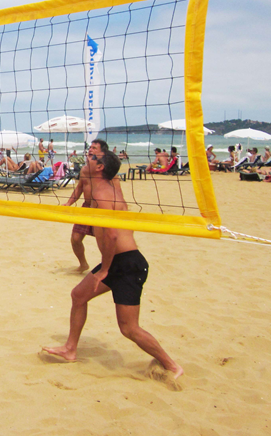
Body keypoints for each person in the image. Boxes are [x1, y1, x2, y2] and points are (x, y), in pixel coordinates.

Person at [43, 150, 183, 387]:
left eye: (93, 158)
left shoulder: (104, 193)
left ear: (99, 168)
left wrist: (105, 269)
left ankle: (172, 365)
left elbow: (111, 236)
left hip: (127, 264)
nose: (87, 159)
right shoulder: (103, 188)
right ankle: (70, 349)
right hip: (118, 260)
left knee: (129, 328)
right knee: (78, 295)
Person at [63, 139, 124, 273]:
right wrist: (68, 203)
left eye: (94, 148)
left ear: (103, 153)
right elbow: (79, 188)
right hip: (86, 207)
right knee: (75, 239)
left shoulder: (108, 172)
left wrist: (120, 211)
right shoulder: (85, 170)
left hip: (102, 209)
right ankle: (83, 264)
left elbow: (117, 193)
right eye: (90, 147)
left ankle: (108, 268)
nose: (90, 149)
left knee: (106, 242)